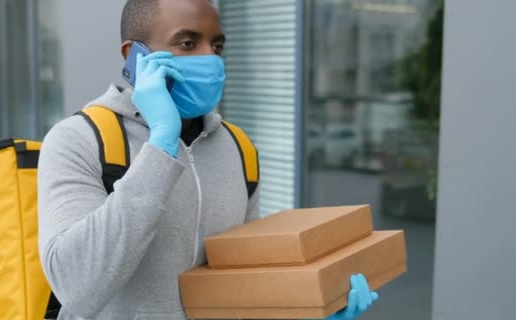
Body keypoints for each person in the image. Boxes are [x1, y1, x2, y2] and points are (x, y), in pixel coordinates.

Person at [37, 0, 378, 319]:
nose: (210, 59)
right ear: (134, 56)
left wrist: (311, 307)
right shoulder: (77, 141)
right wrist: (162, 143)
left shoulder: (238, 146)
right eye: (187, 43)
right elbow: (75, 288)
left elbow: (245, 281)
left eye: (217, 46)